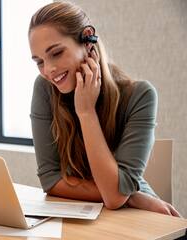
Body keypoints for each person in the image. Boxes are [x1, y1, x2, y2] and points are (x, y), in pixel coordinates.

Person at [28, 1, 181, 217]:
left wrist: (86, 112)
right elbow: (51, 180)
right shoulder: (44, 89)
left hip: (134, 217)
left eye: (56, 53)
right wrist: (132, 196)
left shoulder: (141, 96)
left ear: (88, 39)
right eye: (39, 61)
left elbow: (114, 198)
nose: (48, 70)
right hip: (122, 206)